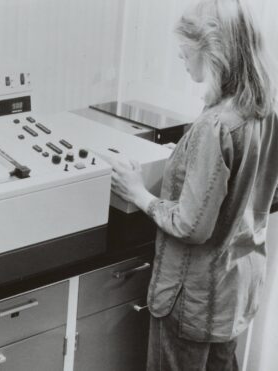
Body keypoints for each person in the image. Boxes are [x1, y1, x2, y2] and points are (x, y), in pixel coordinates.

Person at [109, 0, 278, 370]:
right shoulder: (265, 110)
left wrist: (139, 192)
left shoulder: (215, 125)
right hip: (235, 292)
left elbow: (190, 225)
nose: (182, 61)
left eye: (186, 52)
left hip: (193, 301)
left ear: (214, 51)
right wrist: (190, 161)